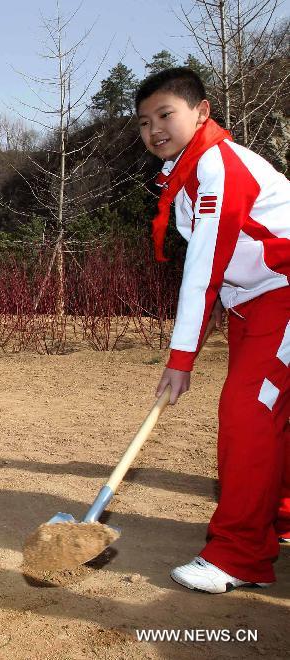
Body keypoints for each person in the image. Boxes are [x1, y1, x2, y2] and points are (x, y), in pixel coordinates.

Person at [135, 68, 290, 593]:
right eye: (144, 121)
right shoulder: (187, 175)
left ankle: (242, 555)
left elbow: (204, 267)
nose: (154, 129)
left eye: (165, 114)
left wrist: (181, 359)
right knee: (272, 414)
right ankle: (281, 515)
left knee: (248, 410)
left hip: (285, 292)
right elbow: (222, 271)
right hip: (256, 303)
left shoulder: (219, 168)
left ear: (201, 112)